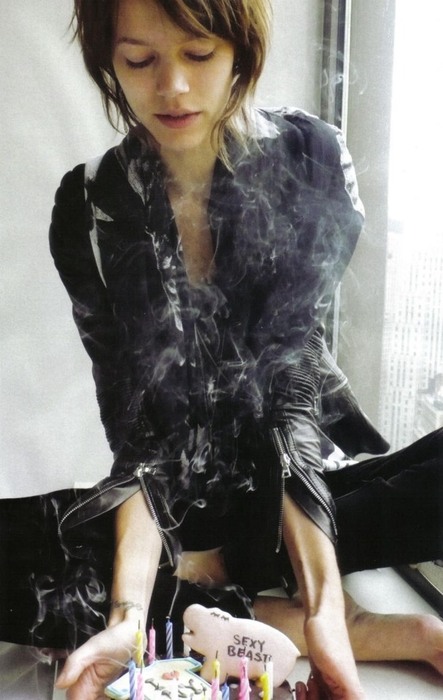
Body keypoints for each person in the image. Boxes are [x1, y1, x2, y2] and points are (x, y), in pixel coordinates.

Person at [2, 0, 441, 698]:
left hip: (301, 492)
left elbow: (287, 389)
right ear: (109, 60)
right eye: (139, 60)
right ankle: (306, 614)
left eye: (199, 54)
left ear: (241, 49)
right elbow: (141, 435)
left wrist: (325, 606)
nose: (171, 87)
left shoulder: (311, 157)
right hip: (180, 509)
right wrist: (126, 617)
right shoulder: (87, 208)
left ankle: (234, 583)